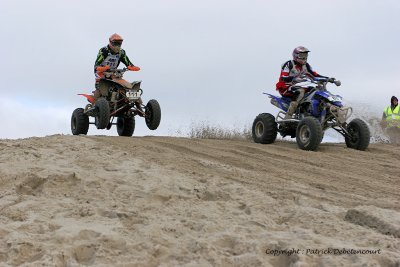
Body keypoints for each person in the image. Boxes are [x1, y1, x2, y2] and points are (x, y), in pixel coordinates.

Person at [276, 46, 333, 119]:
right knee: (300, 91)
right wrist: (294, 79)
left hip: (295, 86)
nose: (304, 57)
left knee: (314, 90)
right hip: (284, 87)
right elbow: (283, 78)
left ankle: (310, 110)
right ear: (295, 55)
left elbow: (314, 75)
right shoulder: (289, 64)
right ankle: (288, 116)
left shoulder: (306, 66)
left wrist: (329, 79)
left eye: (306, 55)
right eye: (302, 55)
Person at [92, 33, 143, 113]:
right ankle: (95, 106)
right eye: (115, 43)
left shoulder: (121, 52)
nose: (117, 46)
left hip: (114, 74)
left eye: (119, 44)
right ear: (110, 42)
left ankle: (139, 106)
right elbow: (96, 65)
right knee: (101, 87)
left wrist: (131, 66)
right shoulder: (104, 51)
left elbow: (128, 62)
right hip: (101, 73)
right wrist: (102, 68)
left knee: (130, 86)